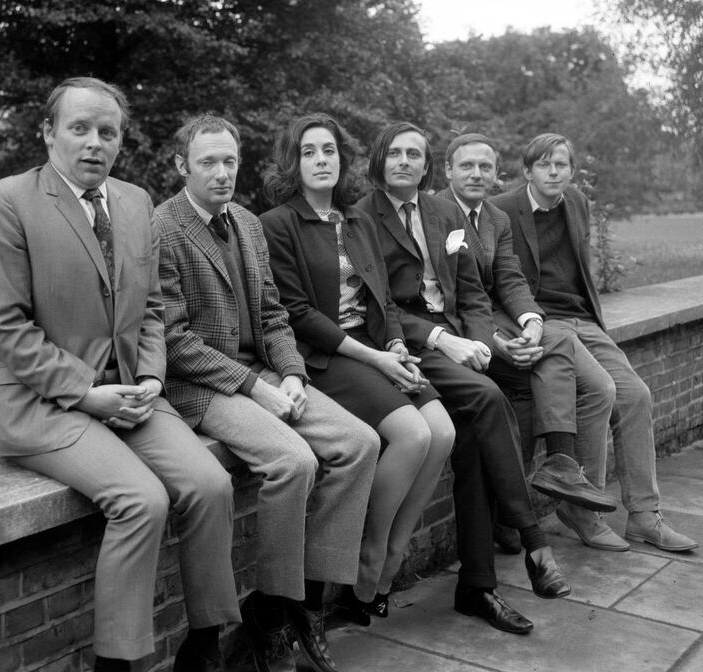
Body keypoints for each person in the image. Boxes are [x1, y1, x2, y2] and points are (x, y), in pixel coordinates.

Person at [0, 78, 240, 672]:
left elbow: (149, 308)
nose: (95, 143)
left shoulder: (136, 201)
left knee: (211, 484)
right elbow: (5, 328)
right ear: (48, 132)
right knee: (142, 500)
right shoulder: (7, 201)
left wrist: (151, 378)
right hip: (45, 403)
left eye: (108, 132)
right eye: (79, 128)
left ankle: (205, 643)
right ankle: (119, 663)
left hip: (133, 395)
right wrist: (87, 394)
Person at [154, 114, 379, 672]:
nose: (222, 172)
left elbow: (276, 317)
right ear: (183, 165)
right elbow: (174, 341)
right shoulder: (161, 229)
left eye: (230, 161)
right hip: (205, 386)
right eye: (208, 161)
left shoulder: (249, 225)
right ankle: (277, 610)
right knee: (294, 460)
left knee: (361, 442)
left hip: (269, 374)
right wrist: (257, 388)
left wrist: (294, 374)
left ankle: (303, 596)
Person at [356, 121, 571, 636]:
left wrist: (476, 341)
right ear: (379, 160)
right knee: (491, 398)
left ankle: (477, 586)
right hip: (404, 344)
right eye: (395, 154)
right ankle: (533, 536)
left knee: (474, 440)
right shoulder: (361, 216)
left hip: (457, 343)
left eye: (415, 154)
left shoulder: (444, 211)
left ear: (428, 166)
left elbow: (472, 292)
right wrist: (442, 342)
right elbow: (376, 304)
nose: (405, 162)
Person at [259, 113, 455, 629]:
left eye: (329, 151)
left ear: (342, 160)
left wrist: (395, 344)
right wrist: (376, 357)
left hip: (377, 348)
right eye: (309, 152)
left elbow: (384, 297)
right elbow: (297, 314)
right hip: (326, 358)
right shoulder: (278, 224)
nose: (322, 160)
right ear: (293, 163)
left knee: (443, 432)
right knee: (412, 435)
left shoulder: (358, 220)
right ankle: (371, 560)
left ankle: (392, 553)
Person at [491, 132, 698, 553]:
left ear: (571, 170)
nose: (554, 171)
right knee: (599, 391)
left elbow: (579, 271)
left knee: (636, 395)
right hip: (539, 321)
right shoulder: (501, 211)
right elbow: (497, 281)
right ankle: (583, 511)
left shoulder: (578, 204)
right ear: (527, 171)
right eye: (545, 164)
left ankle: (644, 516)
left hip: (583, 320)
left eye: (562, 164)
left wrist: (590, 320)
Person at [436, 133, 618, 517]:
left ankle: (557, 467)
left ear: (497, 174)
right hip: (453, 327)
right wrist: (495, 341)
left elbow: (509, 278)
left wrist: (532, 322)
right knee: (541, 362)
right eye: (466, 166)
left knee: (551, 341)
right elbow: (449, 299)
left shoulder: (494, 218)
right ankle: (535, 486)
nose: (476, 174)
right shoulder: (431, 213)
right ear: (447, 169)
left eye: (485, 167)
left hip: (494, 311)